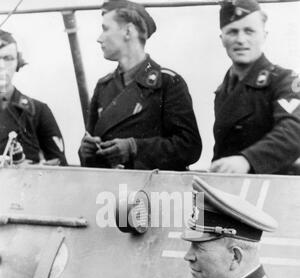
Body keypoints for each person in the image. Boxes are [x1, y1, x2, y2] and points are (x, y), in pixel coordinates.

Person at [78, 0, 202, 170]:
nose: (99, 39)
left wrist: (135, 147)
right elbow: (91, 147)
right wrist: (86, 151)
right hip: (108, 191)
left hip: (155, 192)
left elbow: (189, 147)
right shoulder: (103, 87)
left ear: (128, 31)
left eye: (105, 29)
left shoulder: (167, 82)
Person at [210, 0, 300, 174]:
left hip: (276, 189)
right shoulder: (223, 91)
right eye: (232, 32)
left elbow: (295, 131)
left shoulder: (285, 81)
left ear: (264, 36)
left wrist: (248, 160)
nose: (241, 40)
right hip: (233, 192)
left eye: (249, 31)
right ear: (222, 39)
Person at [0, 30, 67, 166]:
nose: (1, 66)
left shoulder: (38, 111)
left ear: (18, 62)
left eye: (8, 58)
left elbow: (59, 166)